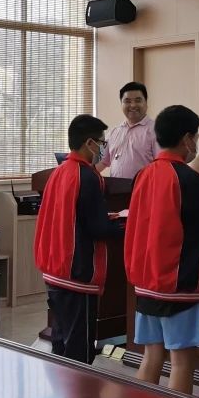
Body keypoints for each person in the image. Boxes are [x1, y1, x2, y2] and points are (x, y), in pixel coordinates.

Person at [125, 105, 199, 395]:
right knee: (181, 363)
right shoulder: (192, 180)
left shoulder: (143, 174)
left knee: (151, 357)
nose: (196, 144)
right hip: (178, 283)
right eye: (196, 138)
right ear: (186, 138)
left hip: (145, 281)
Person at [34, 115, 124, 363]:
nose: (103, 148)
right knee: (79, 350)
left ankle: (61, 387)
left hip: (55, 270)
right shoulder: (87, 176)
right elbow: (97, 228)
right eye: (102, 143)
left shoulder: (60, 171)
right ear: (89, 143)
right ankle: (79, 389)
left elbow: (72, 215)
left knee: (61, 342)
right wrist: (124, 228)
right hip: (77, 274)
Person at [96, 82, 157, 178]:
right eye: (127, 101)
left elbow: (162, 166)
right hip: (115, 187)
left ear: (146, 103)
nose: (133, 105)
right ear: (121, 104)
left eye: (138, 100)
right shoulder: (113, 133)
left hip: (144, 187)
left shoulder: (156, 131)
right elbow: (100, 161)